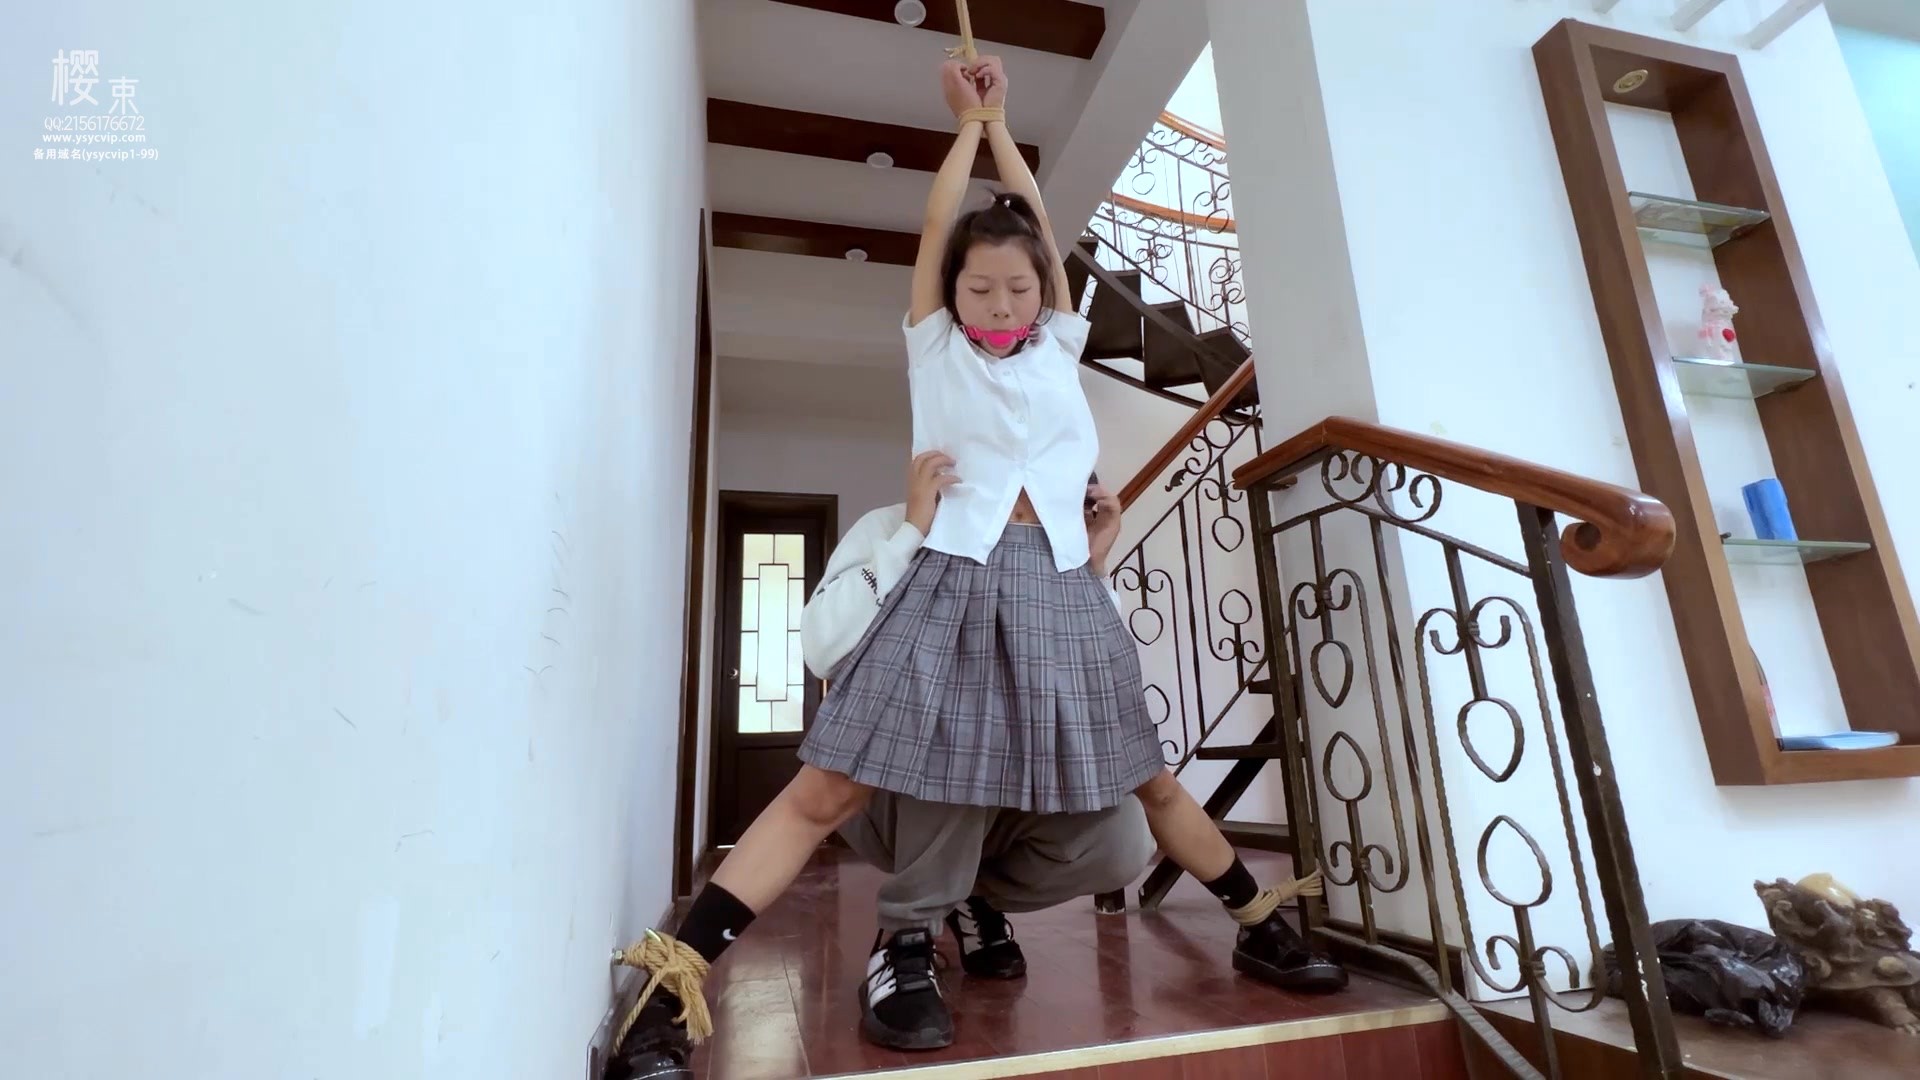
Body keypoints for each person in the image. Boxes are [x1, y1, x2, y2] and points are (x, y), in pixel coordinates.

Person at [607, 56, 1344, 1080]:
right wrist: (966, 128)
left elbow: (1038, 221)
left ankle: (1261, 925)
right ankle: (667, 993)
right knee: (829, 789)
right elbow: (935, 225)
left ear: (1045, 294)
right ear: (951, 296)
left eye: (1018, 285)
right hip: (951, 577)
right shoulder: (937, 351)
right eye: (978, 286)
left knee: (1147, 780)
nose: (1000, 299)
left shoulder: (1059, 346)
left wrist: (1007, 130)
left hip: (1063, 586)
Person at [806, 456, 1153, 1050]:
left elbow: (1103, 682)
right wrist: (911, 533)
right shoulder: (889, 526)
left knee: (1124, 839)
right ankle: (905, 937)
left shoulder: (1057, 555)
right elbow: (821, 647)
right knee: (965, 732)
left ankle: (967, 896)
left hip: (1012, 787)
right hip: (895, 787)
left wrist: (1094, 567)